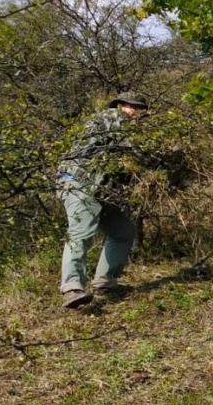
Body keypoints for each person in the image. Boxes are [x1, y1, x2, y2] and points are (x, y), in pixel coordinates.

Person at [57, 91, 151, 308]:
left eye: (140, 109)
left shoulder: (123, 126)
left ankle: (105, 282)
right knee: (81, 232)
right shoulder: (111, 117)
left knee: (122, 232)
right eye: (133, 107)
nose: (136, 112)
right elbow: (135, 151)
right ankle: (72, 288)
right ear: (121, 105)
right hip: (78, 182)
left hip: (103, 188)